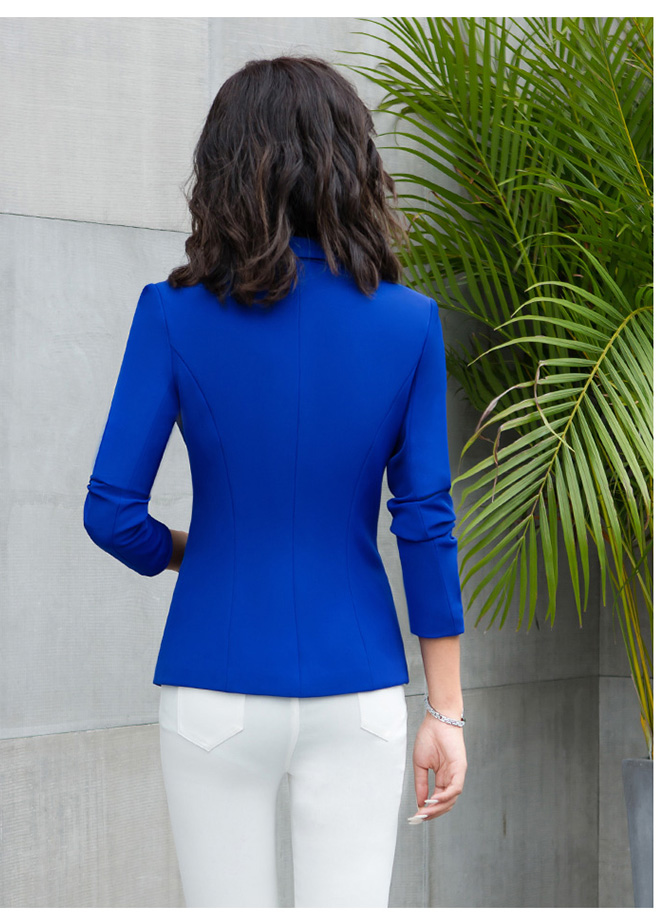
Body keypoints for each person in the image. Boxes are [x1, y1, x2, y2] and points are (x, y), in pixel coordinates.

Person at [83, 54, 467, 909]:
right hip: (358, 685)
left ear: (223, 168)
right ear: (353, 164)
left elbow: (110, 514)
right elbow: (425, 521)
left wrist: (192, 552)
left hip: (212, 681)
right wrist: (447, 713)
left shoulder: (170, 313)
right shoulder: (409, 324)